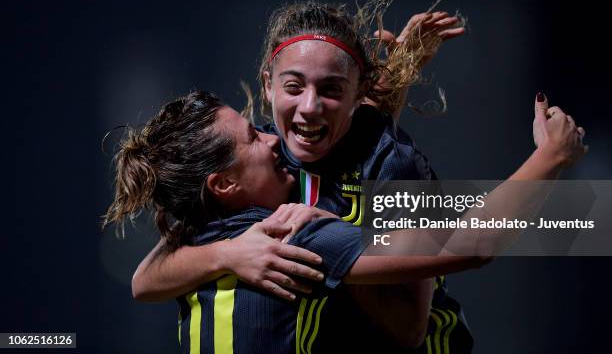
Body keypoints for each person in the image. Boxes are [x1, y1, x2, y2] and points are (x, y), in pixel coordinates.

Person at [128, 0, 587, 353]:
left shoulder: (390, 167)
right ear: (267, 83)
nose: (307, 107)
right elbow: (144, 279)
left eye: (331, 89)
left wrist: (549, 160)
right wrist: (230, 255)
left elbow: (409, 330)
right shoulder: (265, 197)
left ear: (359, 91)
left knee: (584, 221)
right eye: (293, 86)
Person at [105, 91, 497, 352]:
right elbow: (477, 243)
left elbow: (142, 281)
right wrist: (550, 155)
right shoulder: (289, 232)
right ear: (223, 183)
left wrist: (224, 254)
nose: (271, 138)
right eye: (253, 138)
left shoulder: (199, 231)